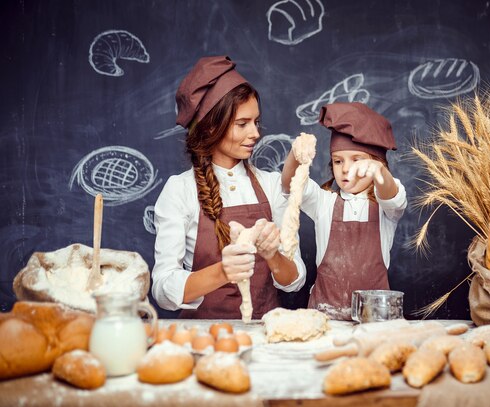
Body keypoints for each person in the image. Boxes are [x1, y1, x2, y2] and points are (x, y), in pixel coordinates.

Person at [152, 56, 306, 319]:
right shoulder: (180, 190)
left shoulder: (271, 185)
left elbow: (295, 280)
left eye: (256, 122)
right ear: (212, 126)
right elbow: (163, 291)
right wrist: (222, 272)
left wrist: (273, 257)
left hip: (264, 334)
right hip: (204, 336)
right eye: (242, 124)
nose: (256, 133)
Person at [281, 102, 407, 320]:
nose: (346, 169)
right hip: (324, 316)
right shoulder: (325, 203)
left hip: (374, 319)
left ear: (378, 163)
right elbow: (290, 184)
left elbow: (393, 196)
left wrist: (381, 173)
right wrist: (295, 154)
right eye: (338, 161)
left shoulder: (385, 209)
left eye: (357, 160)